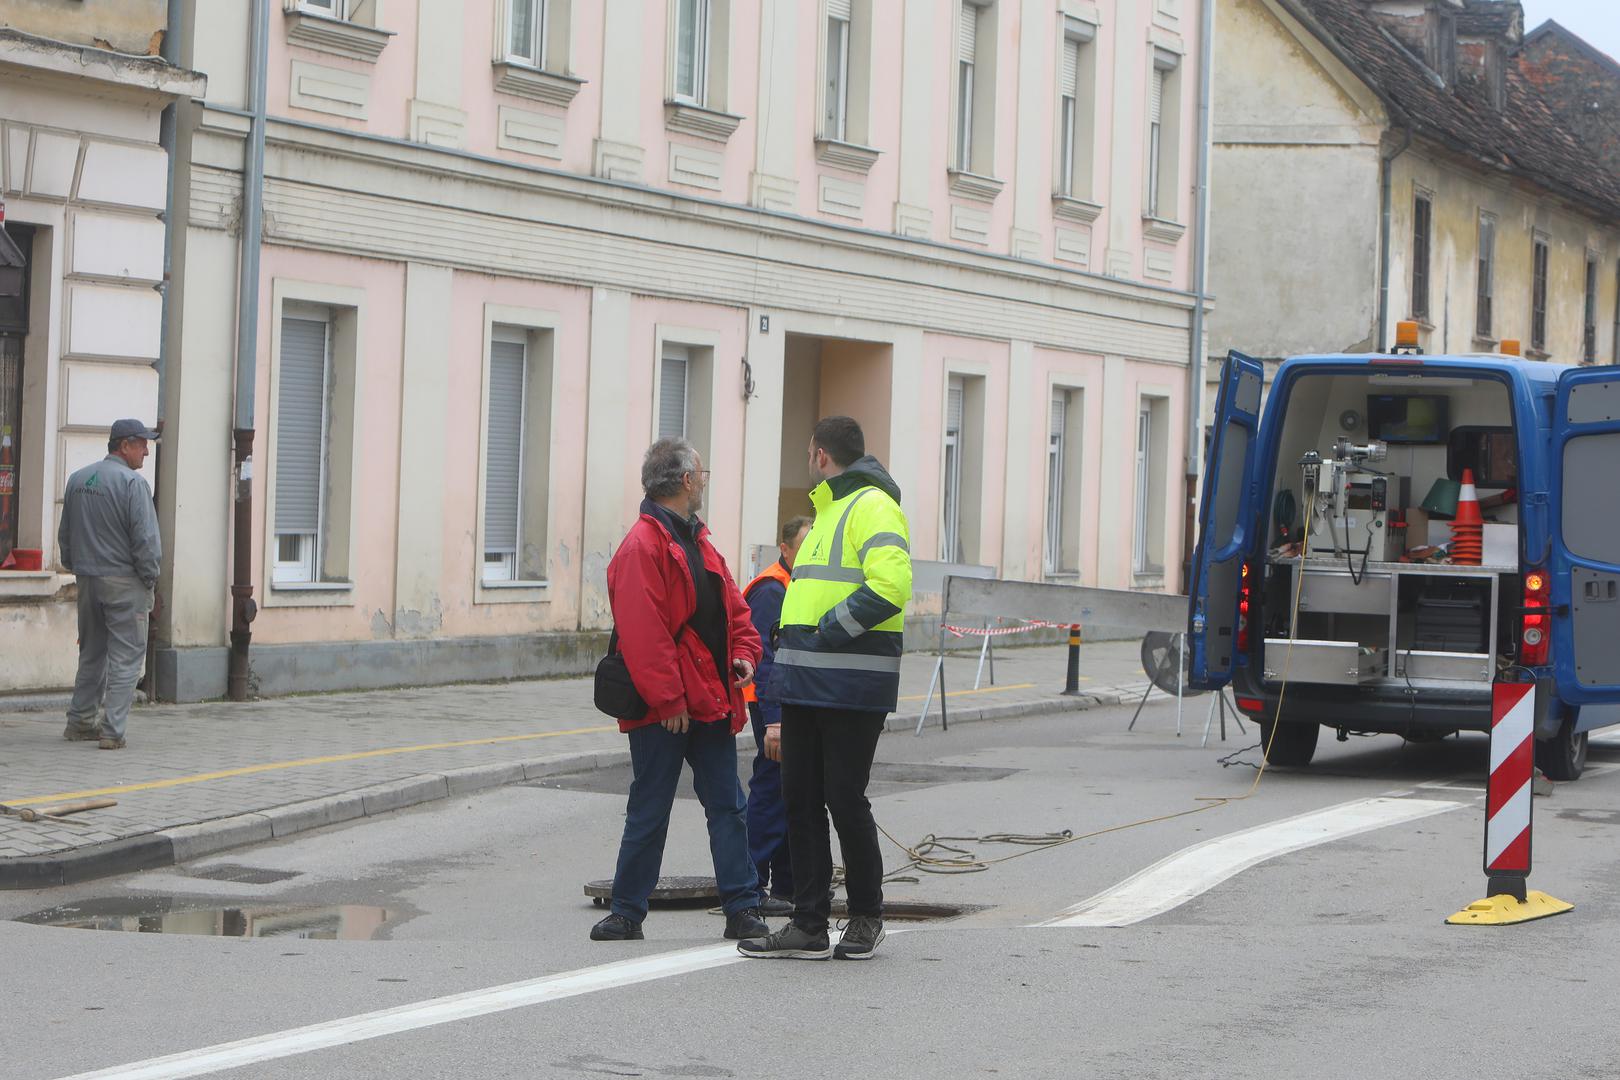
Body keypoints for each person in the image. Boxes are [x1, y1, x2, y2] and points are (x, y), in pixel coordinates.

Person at [738, 416, 911, 961]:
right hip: (808, 683)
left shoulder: (873, 505)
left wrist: (828, 632)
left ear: (819, 456)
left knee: (843, 799)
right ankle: (809, 923)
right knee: (801, 801)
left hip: (850, 686)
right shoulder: (828, 512)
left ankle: (865, 917)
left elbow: (893, 585)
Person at [591, 437, 769, 943]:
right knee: (652, 806)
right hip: (666, 706)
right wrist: (669, 700)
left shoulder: (697, 540)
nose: (706, 480)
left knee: (728, 805)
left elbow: (735, 610)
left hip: (706, 699)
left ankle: (742, 906)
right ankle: (627, 911)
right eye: (703, 473)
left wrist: (744, 654)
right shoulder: (642, 547)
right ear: (687, 480)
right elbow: (644, 634)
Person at [59, 419, 163, 751]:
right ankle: (112, 731)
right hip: (125, 583)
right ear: (124, 445)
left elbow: (66, 537)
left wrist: (79, 568)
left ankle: (79, 722)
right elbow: (145, 541)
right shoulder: (133, 484)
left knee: (91, 653)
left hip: (88, 579)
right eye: (142, 444)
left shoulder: (77, 480)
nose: (147, 450)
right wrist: (150, 579)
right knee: (127, 658)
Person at [740, 514, 813, 917]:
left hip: (790, 701)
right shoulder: (771, 590)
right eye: (804, 547)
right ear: (785, 549)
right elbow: (765, 659)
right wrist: (774, 721)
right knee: (772, 787)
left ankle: (786, 882)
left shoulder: (800, 585)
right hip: (771, 702)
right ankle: (751, 882)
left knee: (792, 788)